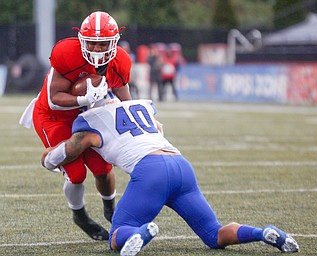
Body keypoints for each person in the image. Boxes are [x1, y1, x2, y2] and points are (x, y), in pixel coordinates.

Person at [41, 99, 299, 255]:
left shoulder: (90, 122)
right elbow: (158, 128)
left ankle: (139, 234)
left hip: (151, 171)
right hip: (181, 165)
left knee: (117, 234)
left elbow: (70, 150)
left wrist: (47, 160)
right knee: (214, 234)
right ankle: (262, 232)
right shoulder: (140, 108)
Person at [19, 11, 132, 241]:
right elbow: (53, 99)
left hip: (87, 115)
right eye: (92, 43)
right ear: (82, 40)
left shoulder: (120, 61)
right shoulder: (67, 53)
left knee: (103, 169)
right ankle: (79, 215)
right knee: (77, 173)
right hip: (54, 116)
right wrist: (84, 99)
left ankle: (110, 210)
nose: (98, 49)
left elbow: (126, 99)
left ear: (114, 42)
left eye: (103, 44)